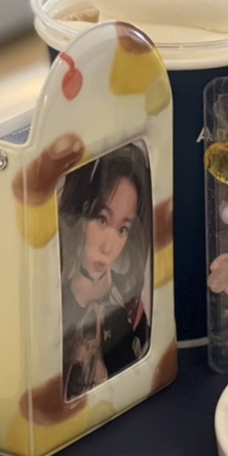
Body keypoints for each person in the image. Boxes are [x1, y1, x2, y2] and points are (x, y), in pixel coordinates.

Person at [59, 143, 152, 400]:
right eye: (102, 220)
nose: (108, 247)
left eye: (122, 229)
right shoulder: (54, 306)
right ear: (84, 211)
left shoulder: (130, 308)